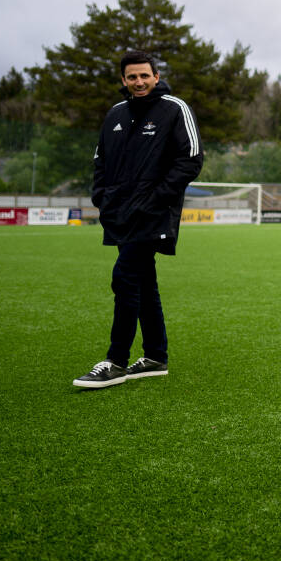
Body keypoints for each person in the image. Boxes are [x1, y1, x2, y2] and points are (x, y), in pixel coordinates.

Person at [73, 50, 203, 389]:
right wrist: (102, 198)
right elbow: (99, 161)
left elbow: (191, 158)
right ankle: (156, 356)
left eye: (145, 75)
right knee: (144, 283)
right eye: (132, 77)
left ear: (156, 76)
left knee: (125, 278)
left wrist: (157, 197)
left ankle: (115, 361)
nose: (139, 82)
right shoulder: (115, 114)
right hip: (120, 213)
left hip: (155, 213)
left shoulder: (175, 109)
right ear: (123, 80)